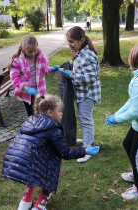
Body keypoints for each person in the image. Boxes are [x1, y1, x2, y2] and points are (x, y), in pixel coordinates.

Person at [2, 94, 100, 210]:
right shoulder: (53, 129)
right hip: (32, 159)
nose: (61, 114)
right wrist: (85, 150)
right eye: (59, 111)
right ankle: (39, 206)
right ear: (50, 112)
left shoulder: (32, 120)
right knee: (52, 174)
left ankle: (25, 203)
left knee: (32, 175)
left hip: (20, 159)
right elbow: (66, 153)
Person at [105, 43, 138, 201]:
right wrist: (117, 114)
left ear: (135, 59)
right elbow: (132, 101)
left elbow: (135, 110)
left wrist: (117, 120)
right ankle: (137, 174)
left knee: (135, 155)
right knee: (127, 144)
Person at [59, 26, 101, 163]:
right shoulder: (80, 52)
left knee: (85, 119)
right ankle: (89, 140)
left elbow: (90, 78)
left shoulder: (88, 55)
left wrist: (72, 74)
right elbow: (82, 69)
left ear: (81, 40)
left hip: (88, 94)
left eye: (72, 42)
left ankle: (88, 148)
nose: (69, 45)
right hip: (82, 93)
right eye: (68, 41)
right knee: (84, 118)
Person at [8, 35, 60, 117]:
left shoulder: (40, 57)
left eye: (35, 51)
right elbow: (14, 78)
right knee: (31, 114)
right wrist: (26, 88)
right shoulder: (18, 60)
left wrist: (51, 70)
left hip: (39, 91)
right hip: (27, 92)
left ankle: (41, 128)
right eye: (30, 52)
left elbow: (44, 70)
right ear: (23, 49)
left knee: (41, 113)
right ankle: (33, 128)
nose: (33, 54)